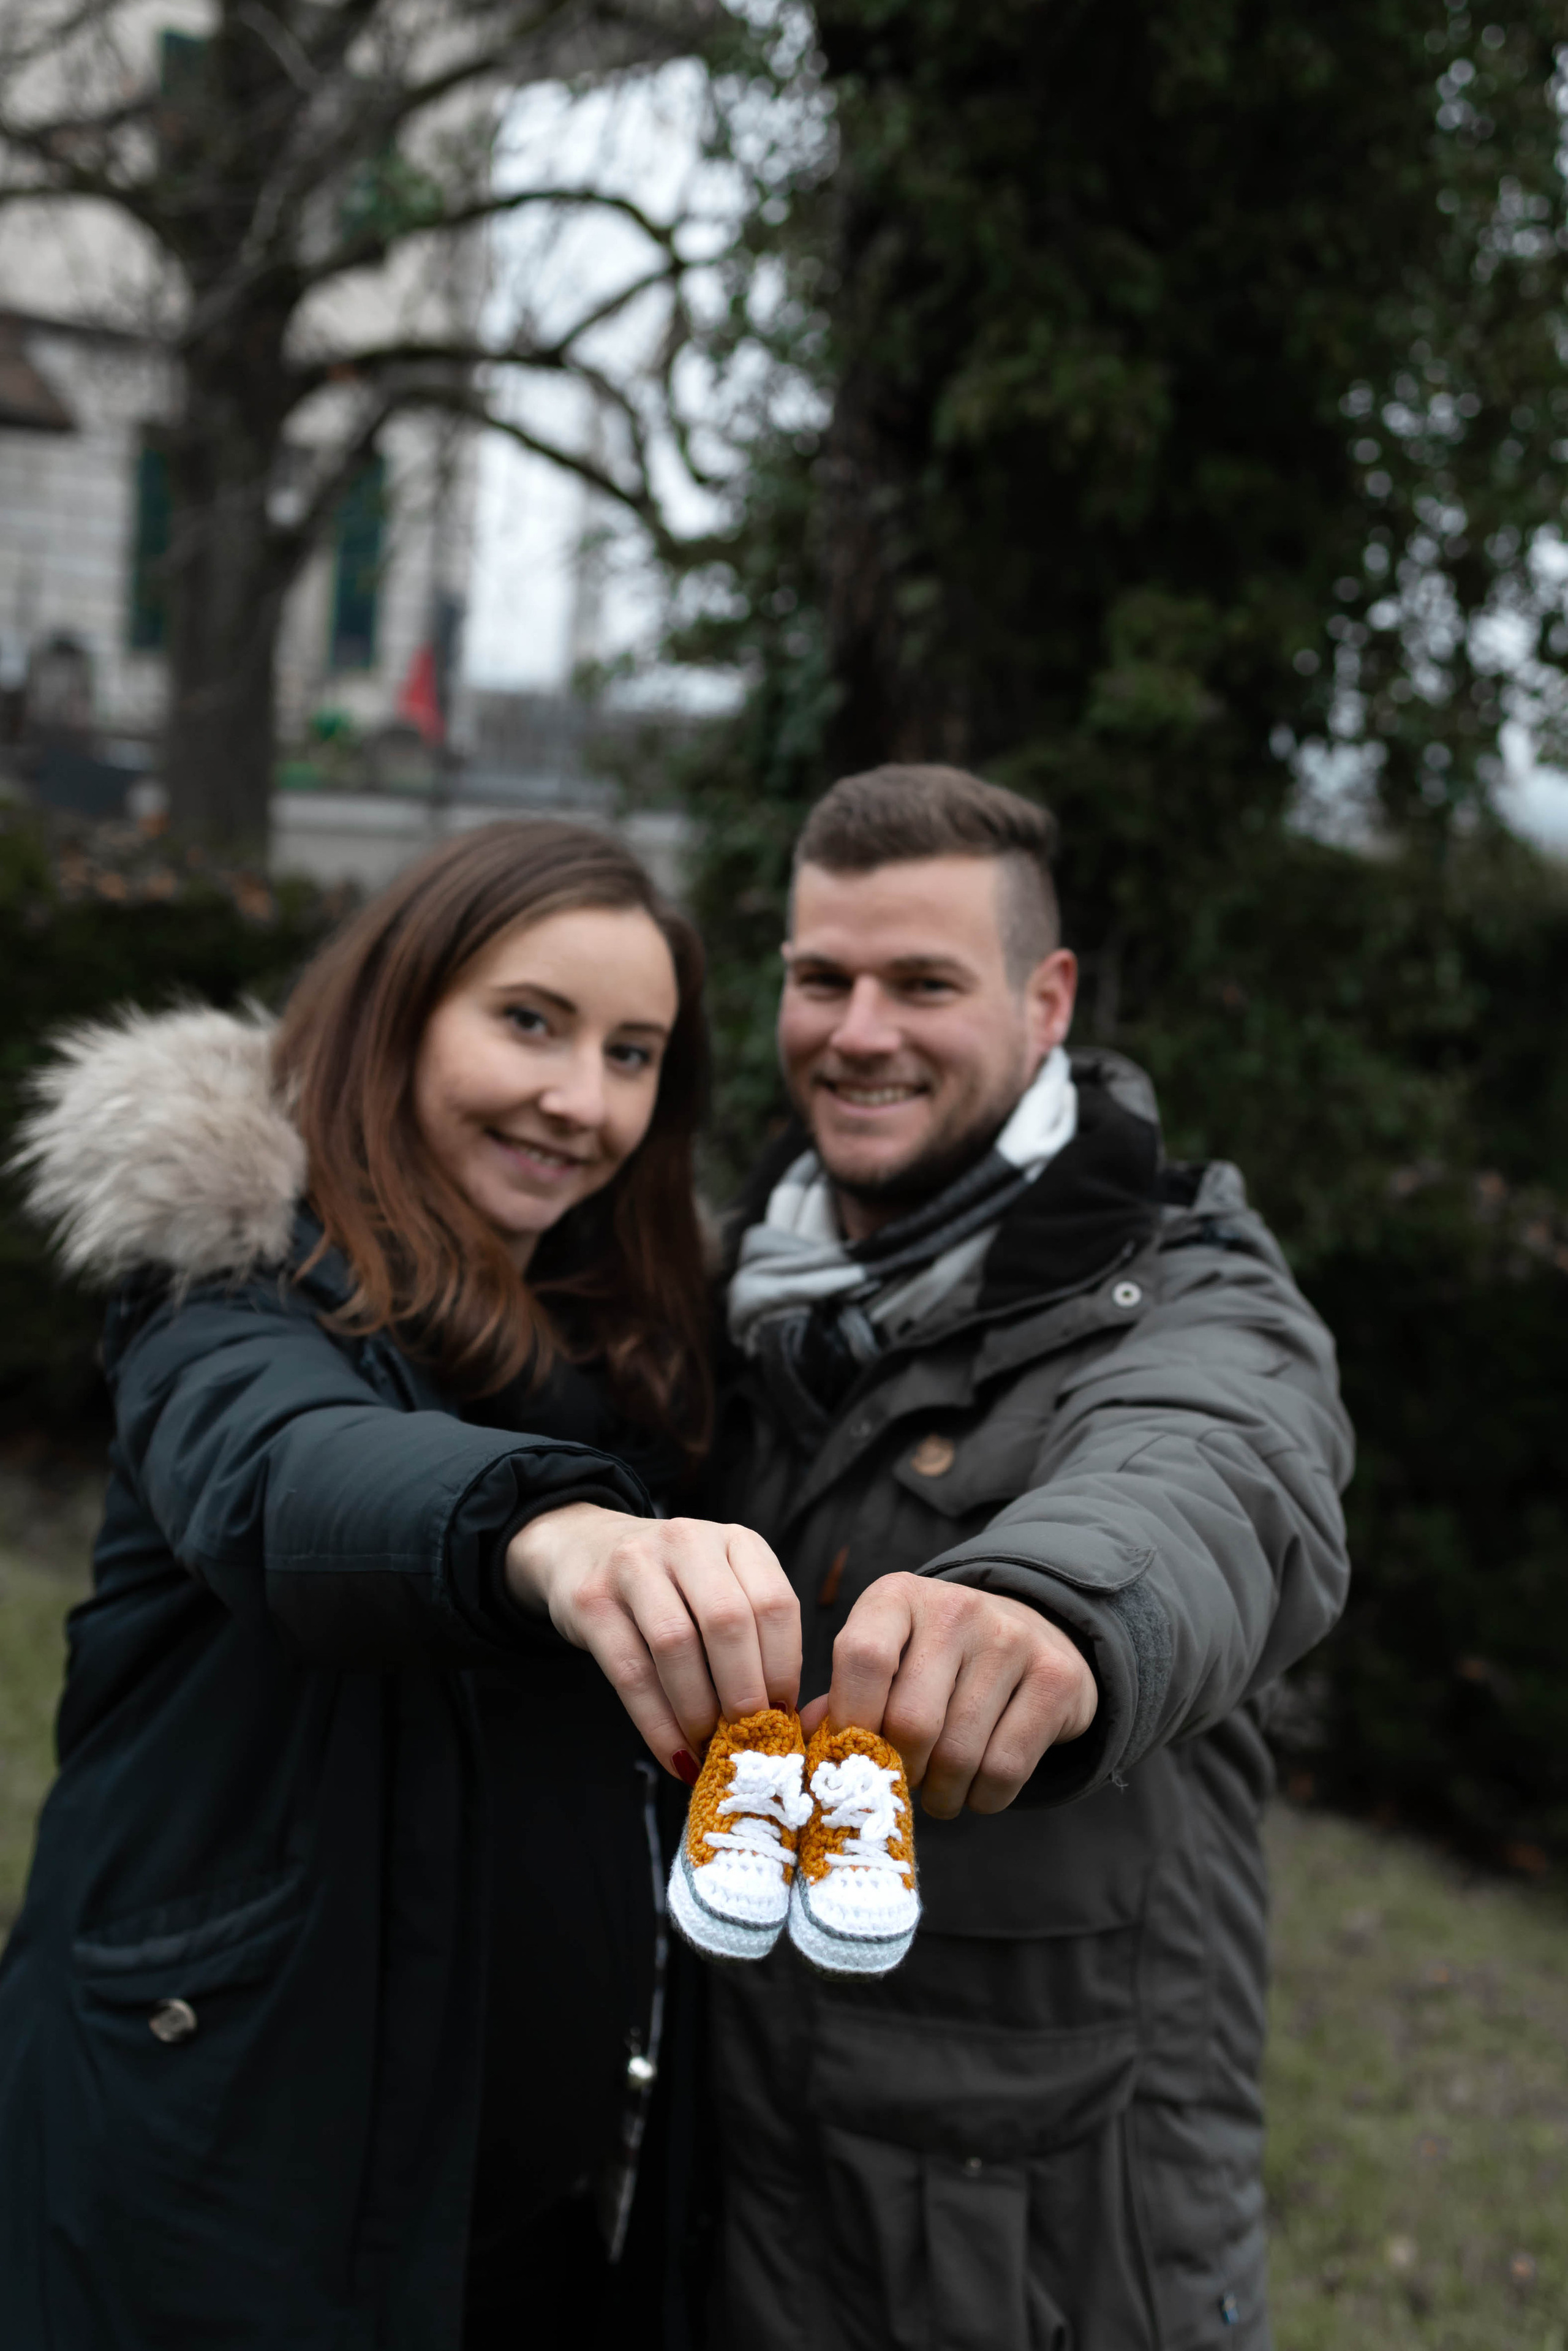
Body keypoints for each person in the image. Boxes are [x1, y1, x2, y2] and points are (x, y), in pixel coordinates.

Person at [0, 820, 801, 2351]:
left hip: (534, 2228)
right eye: (529, 1022)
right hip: (225, 2204)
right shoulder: (229, 1285)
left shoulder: (628, 1343)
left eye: (634, 1053)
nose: (581, 1100)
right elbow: (287, 1474)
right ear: (398, 1011)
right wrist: (555, 1535)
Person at [707, 766, 1353, 2349]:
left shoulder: (1197, 1289)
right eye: (821, 978)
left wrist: (1049, 1602)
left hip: (1038, 2259)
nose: (859, 1032)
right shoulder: (739, 1278)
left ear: (1045, 997)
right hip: (735, 2203)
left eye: (923, 982)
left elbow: (1210, 1466)